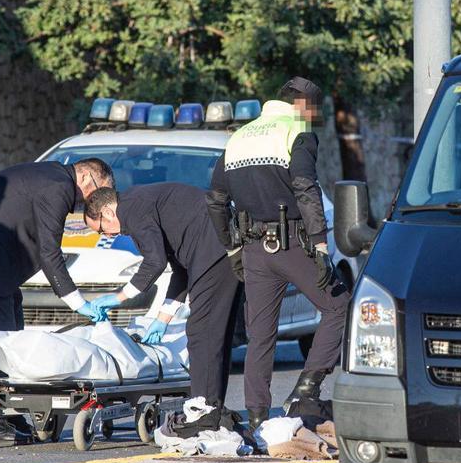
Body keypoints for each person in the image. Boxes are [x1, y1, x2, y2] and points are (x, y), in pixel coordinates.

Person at [205, 77, 349, 429]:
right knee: (340, 305)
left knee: (261, 334)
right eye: (313, 111)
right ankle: (306, 388)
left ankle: (256, 418)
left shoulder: (239, 137)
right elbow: (304, 186)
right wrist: (319, 243)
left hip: (254, 249)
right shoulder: (296, 131)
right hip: (294, 245)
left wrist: (232, 247)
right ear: (302, 105)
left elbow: (216, 200)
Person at [0, 157, 114, 426]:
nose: (96, 203)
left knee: (13, 330)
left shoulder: (52, 177)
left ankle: (12, 411)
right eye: (98, 193)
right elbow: (49, 252)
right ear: (86, 178)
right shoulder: (59, 187)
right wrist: (76, 301)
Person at [84, 183, 241, 406]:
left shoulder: (131, 210)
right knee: (214, 336)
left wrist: (118, 297)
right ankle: (212, 408)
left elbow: (155, 262)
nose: (105, 234)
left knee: (202, 334)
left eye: (101, 229)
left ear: (108, 212)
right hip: (218, 251)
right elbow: (180, 269)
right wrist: (162, 319)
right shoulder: (141, 205)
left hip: (214, 252)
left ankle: (204, 412)